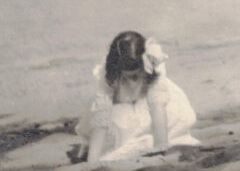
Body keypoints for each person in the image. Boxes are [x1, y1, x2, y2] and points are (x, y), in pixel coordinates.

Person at [76, 32, 199, 163]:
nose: (132, 83)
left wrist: (160, 147)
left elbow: (157, 107)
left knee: (164, 130)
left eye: (135, 76)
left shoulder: (153, 63)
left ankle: (148, 139)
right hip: (121, 106)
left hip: (153, 108)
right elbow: (102, 115)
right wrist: (92, 161)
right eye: (125, 77)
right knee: (114, 134)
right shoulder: (109, 74)